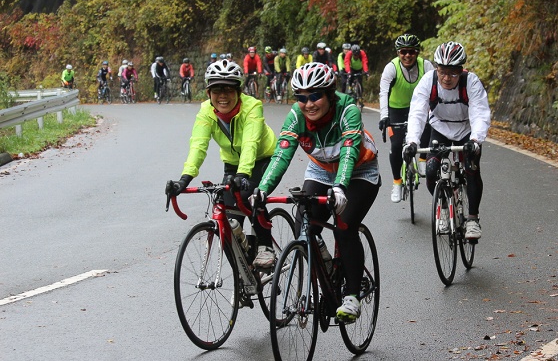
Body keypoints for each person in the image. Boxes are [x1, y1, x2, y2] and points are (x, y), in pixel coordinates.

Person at [254, 62, 380, 323]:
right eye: (301, 98)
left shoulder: (347, 108)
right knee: (304, 225)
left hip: (358, 170)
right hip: (321, 169)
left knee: (345, 227)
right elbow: (281, 154)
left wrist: (341, 186)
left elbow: (348, 149)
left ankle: (352, 296)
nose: (308, 104)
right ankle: (329, 268)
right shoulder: (296, 116)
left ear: (329, 94)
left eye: (315, 96)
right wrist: (263, 189)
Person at [165, 59, 278, 269]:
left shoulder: (252, 107)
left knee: (252, 196)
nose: (223, 96)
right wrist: (184, 179)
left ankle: (265, 246)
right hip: (233, 163)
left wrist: (244, 174)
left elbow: (250, 143)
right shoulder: (206, 111)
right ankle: (243, 271)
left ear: (238, 91)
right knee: (226, 216)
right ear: (209, 93)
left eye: (228, 89)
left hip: (263, 158)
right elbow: (198, 145)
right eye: (217, 90)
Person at [402, 41, 491, 240]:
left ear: (461, 70)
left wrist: (476, 139)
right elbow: (417, 112)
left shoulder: (471, 82)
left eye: (452, 73)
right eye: (442, 72)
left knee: (471, 168)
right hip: (440, 127)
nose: (446, 78)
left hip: (467, 129)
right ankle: (442, 208)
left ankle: (473, 219)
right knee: (432, 170)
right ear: (436, 69)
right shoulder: (428, 81)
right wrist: (412, 142)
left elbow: (480, 112)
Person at [378, 34, 435, 202]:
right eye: (403, 52)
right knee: (396, 146)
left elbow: (435, 89)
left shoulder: (426, 66)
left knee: (428, 127)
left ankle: (423, 159)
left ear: (417, 53)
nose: (407, 55)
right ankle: (397, 182)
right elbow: (384, 93)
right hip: (396, 109)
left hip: (419, 107)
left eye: (411, 52)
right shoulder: (391, 68)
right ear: (398, 53)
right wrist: (384, 116)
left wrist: (434, 112)